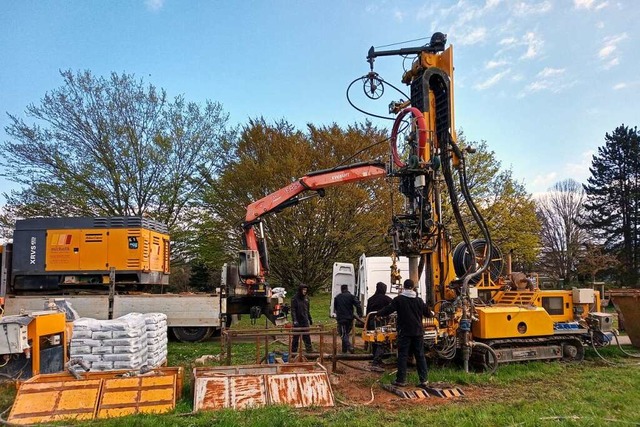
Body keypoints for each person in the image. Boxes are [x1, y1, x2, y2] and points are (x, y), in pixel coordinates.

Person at [377, 278, 430, 387]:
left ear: (403, 287)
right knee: (420, 355)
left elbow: (388, 310)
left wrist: (378, 314)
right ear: (413, 287)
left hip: (404, 332)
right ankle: (424, 380)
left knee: (403, 355)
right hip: (418, 332)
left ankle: (401, 380)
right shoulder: (419, 300)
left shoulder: (399, 300)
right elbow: (428, 313)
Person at [366, 281, 393, 366]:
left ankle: (376, 357)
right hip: (382, 322)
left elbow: (368, 312)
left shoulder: (370, 299)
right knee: (382, 341)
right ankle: (376, 361)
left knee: (374, 340)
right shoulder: (387, 299)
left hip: (371, 322)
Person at [333, 284, 363, 353]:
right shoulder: (351, 296)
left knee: (343, 334)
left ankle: (349, 347)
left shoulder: (337, 297)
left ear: (341, 289)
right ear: (347, 289)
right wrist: (360, 314)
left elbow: (335, 308)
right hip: (350, 319)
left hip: (341, 319)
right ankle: (344, 350)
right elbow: (358, 305)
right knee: (346, 334)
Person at [291, 283, 313, 353]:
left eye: (306, 290)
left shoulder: (306, 298)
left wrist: (310, 318)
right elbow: (293, 310)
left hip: (305, 320)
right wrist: (294, 320)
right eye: (303, 290)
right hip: (297, 321)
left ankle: (309, 350)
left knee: (307, 336)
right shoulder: (295, 298)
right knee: (296, 337)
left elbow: (307, 310)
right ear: (300, 290)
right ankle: (294, 351)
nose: (305, 291)